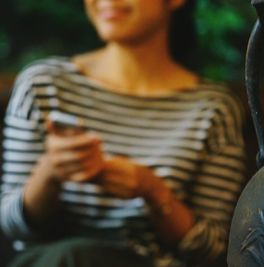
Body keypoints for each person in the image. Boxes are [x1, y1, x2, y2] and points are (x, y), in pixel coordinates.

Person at [0, 0, 246, 266]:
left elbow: (213, 252)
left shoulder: (212, 109)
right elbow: (12, 227)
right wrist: (50, 172)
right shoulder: (43, 85)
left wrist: (153, 192)